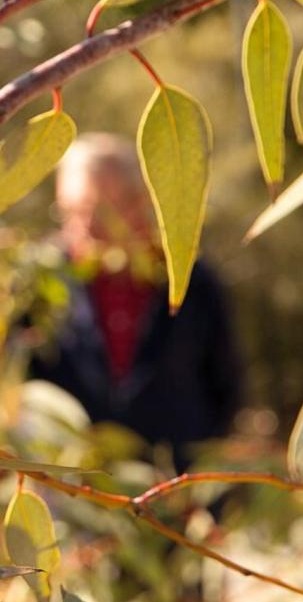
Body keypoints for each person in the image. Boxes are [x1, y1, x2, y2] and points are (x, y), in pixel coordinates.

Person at [28, 133, 242, 468]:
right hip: (68, 482)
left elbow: (225, 385)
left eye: (99, 210)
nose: (85, 227)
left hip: (172, 483)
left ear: (140, 203)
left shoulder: (191, 281)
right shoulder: (40, 281)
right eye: (71, 212)